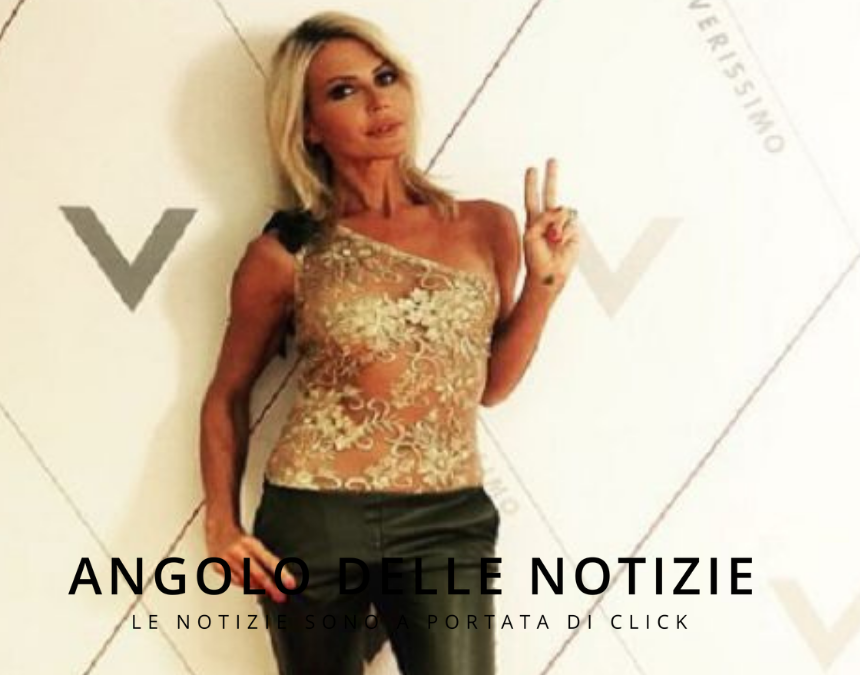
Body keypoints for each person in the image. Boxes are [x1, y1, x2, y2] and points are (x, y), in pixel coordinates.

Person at [199, 10, 580, 675]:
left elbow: (488, 386)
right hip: (313, 519)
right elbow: (227, 393)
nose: (378, 101)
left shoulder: (485, 226)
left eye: (385, 77)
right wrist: (221, 526)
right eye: (343, 90)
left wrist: (544, 285)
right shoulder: (286, 251)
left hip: (447, 520)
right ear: (309, 125)